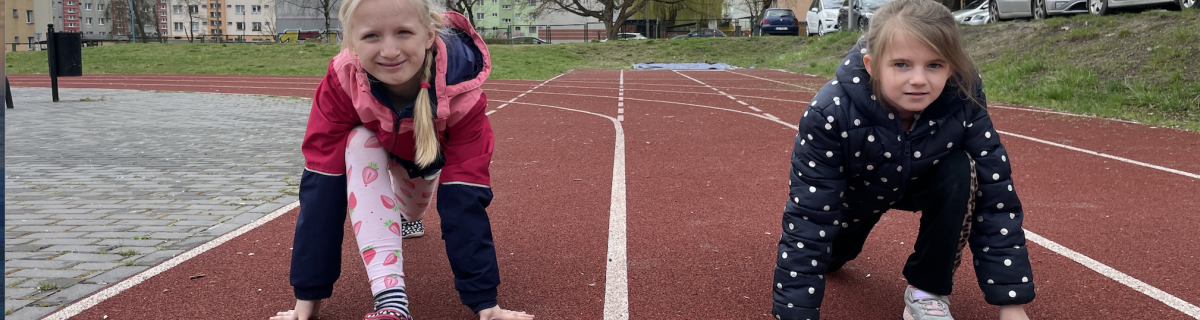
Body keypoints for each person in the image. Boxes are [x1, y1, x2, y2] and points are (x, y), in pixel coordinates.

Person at [268, 0, 534, 319]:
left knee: (412, 209)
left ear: (428, 34)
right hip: (378, 151)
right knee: (358, 141)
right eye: (372, 36)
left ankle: (409, 216)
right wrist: (307, 297)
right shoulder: (341, 81)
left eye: (403, 32)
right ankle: (391, 300)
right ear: (352, 42)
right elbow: (322, 186)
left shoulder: (462, 93)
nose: (390, 51)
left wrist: (485, 303)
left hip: (427, 160)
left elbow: (463, 197)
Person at [771, 0, 1034, 319]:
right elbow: (809, 217)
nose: (919, 79)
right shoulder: (829, 114)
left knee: (961, 171)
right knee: (826, 257)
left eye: (935, 65)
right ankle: (840, 248)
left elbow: (996, 197)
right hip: (851, 198)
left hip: (922, 177)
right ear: (871, 65)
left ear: (951, 66)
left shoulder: (962, 99)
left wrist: (1012, 305)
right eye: (901, 65)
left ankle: (926, 291)